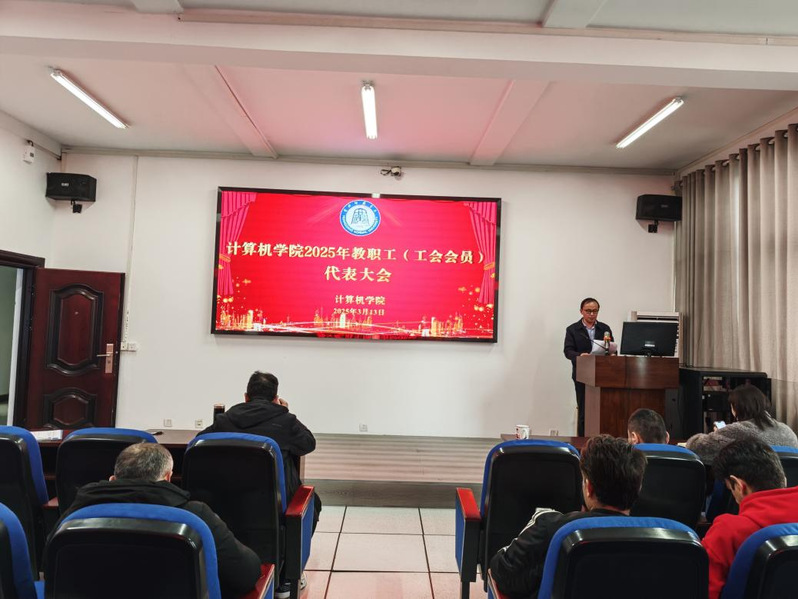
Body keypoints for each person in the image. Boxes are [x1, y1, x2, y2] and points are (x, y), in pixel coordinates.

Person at [52, 443, 261, 599]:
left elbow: (52, 568)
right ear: (168, 477)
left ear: (113, 479)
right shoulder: (194, 515)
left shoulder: (78, 512)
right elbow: (245, 574)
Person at [200, 371, 320, 599]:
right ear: (276, 398)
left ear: (246, 397)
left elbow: (199, 441)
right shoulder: (285, 421)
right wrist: (286, 412)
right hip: (272, 508)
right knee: (312, 504)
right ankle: (287, 578)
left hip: (224, 506)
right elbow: (308, 443)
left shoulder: (224, 420)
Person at [489, 435, 646, 597]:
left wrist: (542, 570)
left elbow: (503, 572)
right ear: (638, 488)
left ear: (589, 488)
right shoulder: (657, 536)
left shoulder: (551, 527)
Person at [702, 438, 798, 599]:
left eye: (730, 490)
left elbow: (703, 591)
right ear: (784, 479)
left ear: (739, 486)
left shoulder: (727, 531)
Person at [685, 384, 798, 465]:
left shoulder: (736, 430)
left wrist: (718, 435)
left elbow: (696, 447)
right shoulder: (787, 430)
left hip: (750, 489)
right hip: (787, 490)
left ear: (735, 407)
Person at [563, 298, 614, 437]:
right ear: (581, 311)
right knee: (584, 411)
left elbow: (611, 348)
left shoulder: (604, 328)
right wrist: (580, 355)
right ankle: (583, 441)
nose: (592, 314)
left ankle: (603, 441)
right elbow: (568, 351)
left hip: (602, 375)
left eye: (595, 311)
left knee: (602, 410)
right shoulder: (573, 329)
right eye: (588, 311)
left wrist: (611, 353)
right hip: (582, 374)